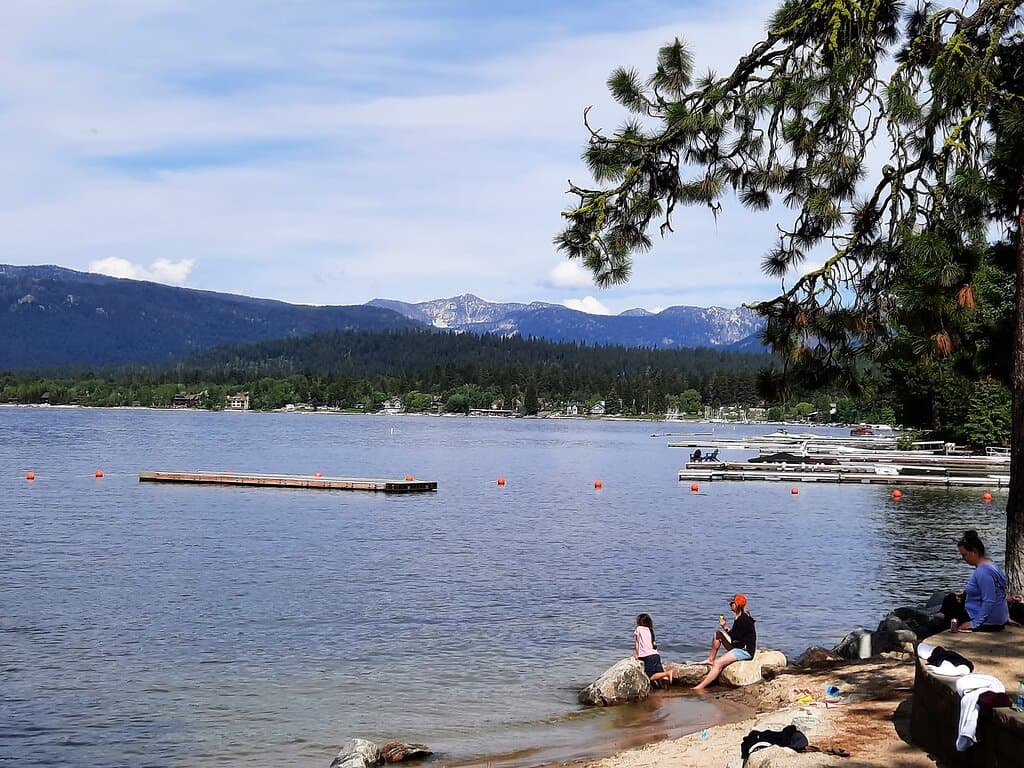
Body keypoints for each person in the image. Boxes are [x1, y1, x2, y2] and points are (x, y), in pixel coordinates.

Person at [694, 594, 756, 691]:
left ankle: (699, 687)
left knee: (718, 663)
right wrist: (725, 629)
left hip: (744, 650)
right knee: (718, 634)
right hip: (738, 646)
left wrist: (725, 627)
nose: (730, 604)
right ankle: (710, 659)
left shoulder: (743, 619)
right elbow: (736, 637)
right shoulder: (739, 617)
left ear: (738, 604)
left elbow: (735, 637)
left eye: (732, 603)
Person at [955, 530, 1009, 632]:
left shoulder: (983, 572)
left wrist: (974, 624)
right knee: (951, 599)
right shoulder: (991, 566)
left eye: (964, 555)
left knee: (950, 604)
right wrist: (966, 593)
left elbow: (989, 600)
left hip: (989, 621)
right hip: (998, 617)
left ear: (974, 552)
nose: (963, 558)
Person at [634, 613, 673, 688]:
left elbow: (637, 642)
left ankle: (667, 673)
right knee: (660, 674)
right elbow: (653, 643)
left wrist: (637, 654)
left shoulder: (639, 629)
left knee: (650, 677)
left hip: (648, 656)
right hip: (656, 655)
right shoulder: (650, 630)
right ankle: (667, 689)